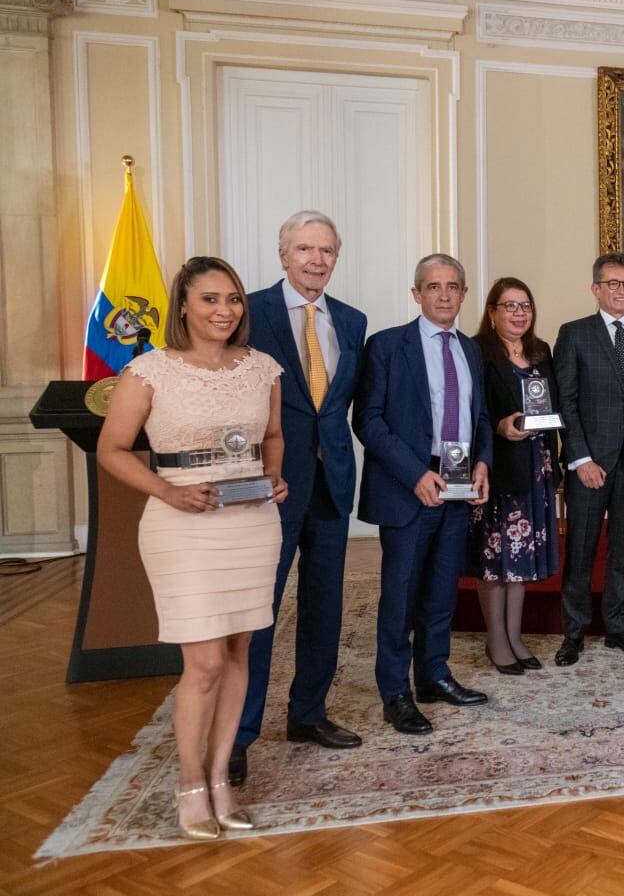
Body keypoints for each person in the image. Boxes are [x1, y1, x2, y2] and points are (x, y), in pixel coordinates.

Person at [97, 256, 288, 839]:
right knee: (202, 662)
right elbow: (112, 449)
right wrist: (168, 492)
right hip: (181, 524)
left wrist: (274, 478)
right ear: (183, 305)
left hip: (252, 522)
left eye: (232, 299)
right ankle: (189, 783)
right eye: (210, 299)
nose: (224, 310)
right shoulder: (149, 370)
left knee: (238, 656)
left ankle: (221, 778)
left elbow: (274, 436)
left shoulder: (263, 368)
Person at [232, 211, 365, 788]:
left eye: (327, 250)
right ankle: (238, 733)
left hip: (332, 481)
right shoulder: (248, 312)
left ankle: (308, 713)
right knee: (258, 611)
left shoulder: (353, 321)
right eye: (306, 249)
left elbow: (340, 406)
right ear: (282, 254)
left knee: (323, 604)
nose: (317, 260)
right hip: (271, 484)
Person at [354, 254, 492, 735]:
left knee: (440, 590)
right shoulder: (388, 346)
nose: (444, 295)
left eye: (453, 286)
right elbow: (367, 420)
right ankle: (396, 691)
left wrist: (482, 464)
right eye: (433, 286)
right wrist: (415, 474)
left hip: (457, 482)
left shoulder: (470, 350)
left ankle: (434, 674)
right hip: (407, 485)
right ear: (416, 293)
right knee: (401, 594)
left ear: (463, 292)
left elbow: (479, 419)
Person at [552, 253, 624, 666]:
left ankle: (618, 628)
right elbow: (567, 400)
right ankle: (574, 632)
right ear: (596, 288)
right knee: (581, 549)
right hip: (590, 465)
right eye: (613, 283)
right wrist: (580, 458)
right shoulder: (575, 334)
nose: (622, 290)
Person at [470, 277, 560, 675]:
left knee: (522, 557)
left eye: (525, 305)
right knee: (496, 556)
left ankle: (515, 635)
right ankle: (496, 639)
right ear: (492, 312)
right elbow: (473, 414)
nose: (519, 313)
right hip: (499, 467)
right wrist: (499, 428)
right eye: (510, 306)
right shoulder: (478, 353)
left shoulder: (541, 352)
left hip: (536, 466)